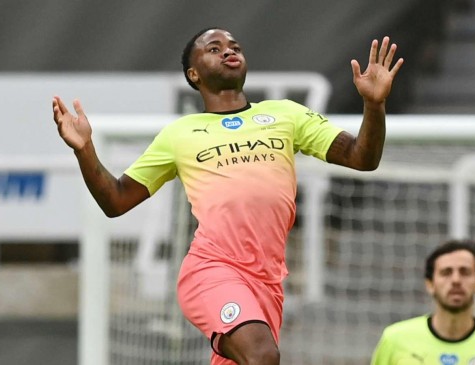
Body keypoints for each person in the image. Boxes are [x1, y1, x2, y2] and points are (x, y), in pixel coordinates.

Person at [52, 27, 403, 365]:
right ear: (194, 74)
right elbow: (116, 201)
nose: (229, 51)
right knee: (262, 355)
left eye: (234, 46)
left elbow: (363, 158)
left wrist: (374, 105)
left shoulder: (286, 114)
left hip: (267, 281)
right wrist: (84, 150)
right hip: (212, 270)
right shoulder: (180, 133)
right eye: (214, 48)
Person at [371, 239, 475, 365]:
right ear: (430, 284)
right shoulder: (395, 340)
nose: (456, 280)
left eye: (465, 272)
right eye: (446, 272)